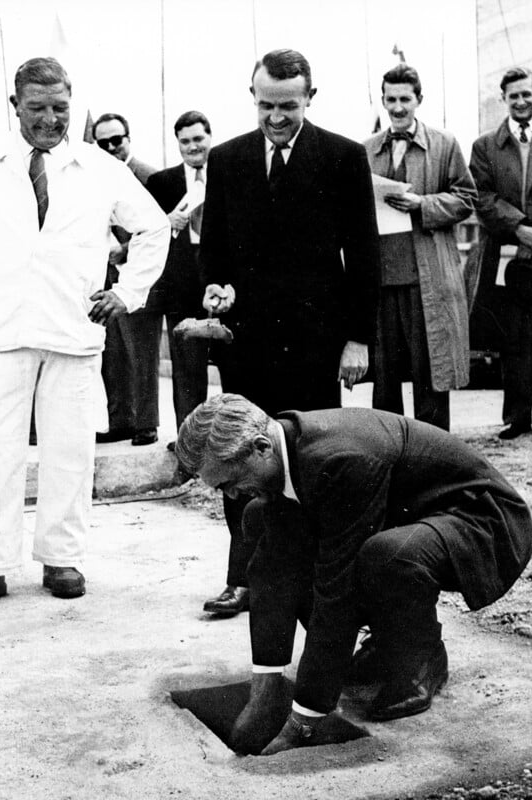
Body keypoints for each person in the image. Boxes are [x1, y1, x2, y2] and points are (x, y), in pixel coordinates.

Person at [0, 57, 169, 612]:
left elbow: (153, 227)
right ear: (15, 106)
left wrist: (126, 293)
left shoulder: (101, 169)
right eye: (37, 108)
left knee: (69, 453)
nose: (50, 120)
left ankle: (62, 558)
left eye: (60, 108)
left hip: (73, 332)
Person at [175, 393, 532, 756]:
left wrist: (304, 721)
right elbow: (273, 575)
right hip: (414, 515)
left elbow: (338, 590)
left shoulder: (338, 459)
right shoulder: (288, 450)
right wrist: (264, 691)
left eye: (228, 482)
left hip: (482, 521)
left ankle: (421, 657)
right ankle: (387, 644)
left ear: (261, 447)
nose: (231, 495)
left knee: (385, 556)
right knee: (260, 518)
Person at [198, 48, 380, 616]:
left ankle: (308, 575)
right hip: (246, 342)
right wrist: (215, 291)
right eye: (265, 105)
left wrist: (357, 338)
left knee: (306, 460)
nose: (276, 117)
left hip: (314, 342)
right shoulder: (226, 159)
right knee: (238, 456)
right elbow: (215, 251)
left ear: (310, 97)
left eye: (288, 106)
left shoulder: (343, 157)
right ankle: (245, 576)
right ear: (252, 98)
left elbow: (365, 253)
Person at [363, 63, 476, 432]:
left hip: (426, 278)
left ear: (418, 100)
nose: (397, 108)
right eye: (390, 99)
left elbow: (466, 198)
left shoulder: (444, 145)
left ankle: (434, 453)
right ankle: (390, 449)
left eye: (404, 99)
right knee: (385, 376)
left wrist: (422, 205)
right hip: (380, 281)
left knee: (430, 370)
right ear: (383, 101)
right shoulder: (364, 150)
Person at [469, 66, 532, 439]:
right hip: (508, 254)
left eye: (527, 93)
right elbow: (481, 197)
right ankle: (517, 417)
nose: (521, 101)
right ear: (504, 99)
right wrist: (519, 228)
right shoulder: (485, 147)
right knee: (514, 336)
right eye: (514, 95)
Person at [92, 113, 161, 446]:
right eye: (102, 143)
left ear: (128, 139)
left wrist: (127, 248)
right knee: (113, 353)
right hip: (108, 281)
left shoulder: (148, 176)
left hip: (141, 282)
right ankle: (120, 420)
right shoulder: (97, 178)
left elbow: (161, 229)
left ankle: (146, 423)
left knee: (141, 353)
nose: (110, 148)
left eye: (116, 141)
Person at [146, 110, 212, 439]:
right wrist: (165, 223)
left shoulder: (232, 171)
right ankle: (190, 441)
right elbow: (144, 234)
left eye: (198, 139)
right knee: (188, 371)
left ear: (210, 137)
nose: (192, 147)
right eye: (184, 141)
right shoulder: (161, 183)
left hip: (225, 283)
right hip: (183, 287)